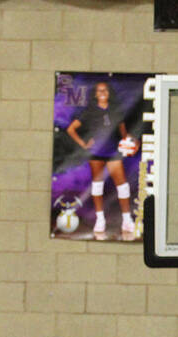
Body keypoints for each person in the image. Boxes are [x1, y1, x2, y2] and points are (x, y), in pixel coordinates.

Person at [66, 80, 138, 239]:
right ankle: (100, 220)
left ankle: (127, 220)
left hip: (113, 152)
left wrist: (132, 143)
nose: (102, 93)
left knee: (123, 186)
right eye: (99, 90)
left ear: (109, 92)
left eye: (105, 90)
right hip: (96, 152)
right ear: (95, 94)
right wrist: (83, 144)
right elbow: (71, 129)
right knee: (97, 187)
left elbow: (124, 135)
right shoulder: (90, 110)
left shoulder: (116, 111)